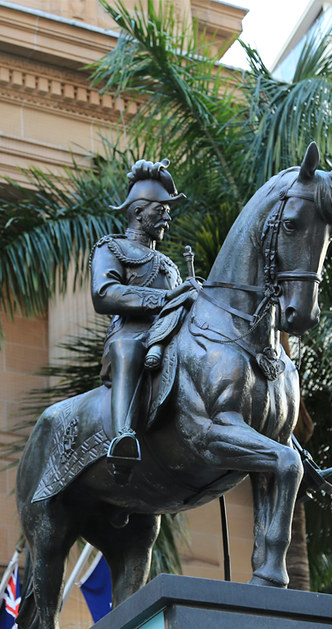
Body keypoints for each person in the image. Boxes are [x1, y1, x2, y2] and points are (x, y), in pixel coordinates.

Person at [91, 159, 191, 482]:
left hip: (171, 335)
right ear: (138, 212)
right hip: (132, 335)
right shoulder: (111, 248)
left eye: (168, 210)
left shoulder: (170, 264)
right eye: (160, 210)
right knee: (128, 350)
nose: (167, 216)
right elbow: (104, 294)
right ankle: (123, 438)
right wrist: (165, 299)